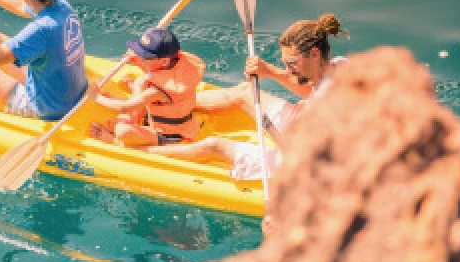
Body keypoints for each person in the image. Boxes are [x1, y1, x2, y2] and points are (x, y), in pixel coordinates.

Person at [144, 13, 349, 181]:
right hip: (302, 124)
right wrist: (267, 70)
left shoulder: (332, 105)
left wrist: (266, 125)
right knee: (244, 92)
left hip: (304, 165)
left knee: (215, 146)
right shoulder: (340, 66)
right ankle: (171, 103)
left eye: (292, 64)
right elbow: (308, 89)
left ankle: (141, 152)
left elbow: (301, 157)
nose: (289, 70)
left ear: (314, 54)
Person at [88, 27, 206, 147]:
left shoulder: (158, 91)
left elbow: (124, 108)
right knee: (141, 81)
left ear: (164, 61)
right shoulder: (176, 62)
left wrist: (96, 97)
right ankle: (134, 115)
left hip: (169, 135)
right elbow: (155, 69)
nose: (141, 58)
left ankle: (115, 141)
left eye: (144, 57)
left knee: (123, 132)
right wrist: (139, 61)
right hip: (171, 118)